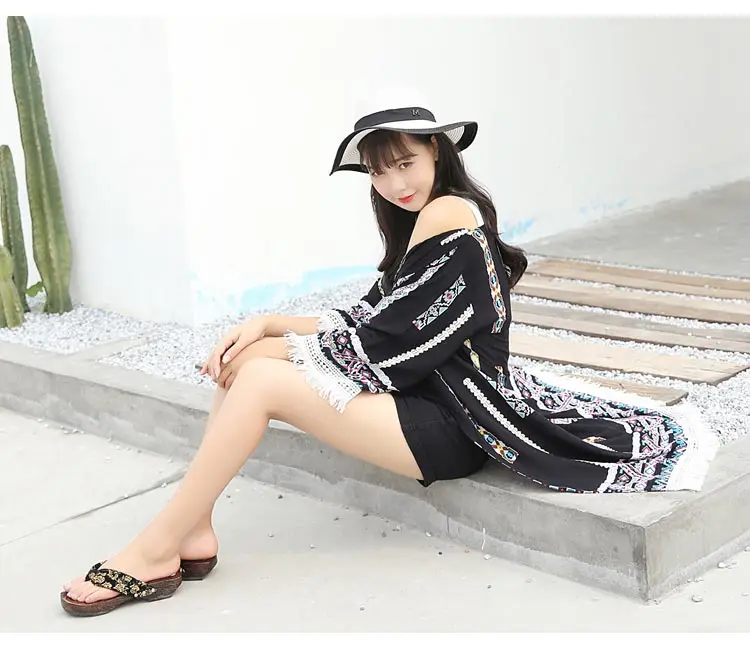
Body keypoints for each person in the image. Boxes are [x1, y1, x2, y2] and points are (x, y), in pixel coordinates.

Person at [60, 87, 718, 617]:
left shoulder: (450, 214)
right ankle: (194, 530)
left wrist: (279, 342)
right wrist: (264, 323)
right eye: (379, 170)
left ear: (437, 151)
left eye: (405, 163)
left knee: (258, 380)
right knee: (245, 363)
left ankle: (154, 547)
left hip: (453, 424)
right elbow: (373, 316)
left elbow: (386, 340)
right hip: (425, 399)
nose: (394, 182)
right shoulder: (422, 221)